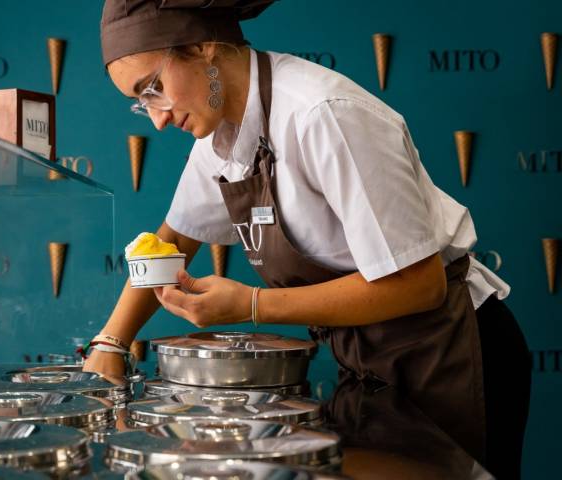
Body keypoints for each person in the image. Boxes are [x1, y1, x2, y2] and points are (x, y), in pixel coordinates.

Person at [85, 1, 531, 478]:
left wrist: (252, 305)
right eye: (142, 103)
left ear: (202, 47)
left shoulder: (324, 114)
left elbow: (419, 285)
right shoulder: (219, 139)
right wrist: (110, 345)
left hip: (453, 353)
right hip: (368, 363)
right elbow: (170, 243)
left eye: (153, 89)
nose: (156, 118)